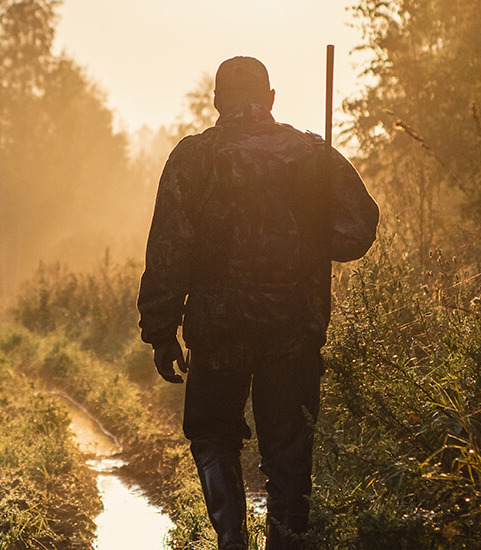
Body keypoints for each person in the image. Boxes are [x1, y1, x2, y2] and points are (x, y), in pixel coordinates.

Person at [137, 56, 378, 550]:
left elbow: (170, 248)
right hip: (294, 329)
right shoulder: (314, 154)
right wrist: (308, 235)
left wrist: (160, 328)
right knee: (289, 454)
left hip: (218, 328)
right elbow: (358, 228)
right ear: (270, 99)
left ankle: (232, 542)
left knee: (213, 435)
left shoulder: (194, 157)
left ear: (217, 101)